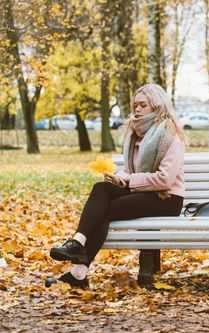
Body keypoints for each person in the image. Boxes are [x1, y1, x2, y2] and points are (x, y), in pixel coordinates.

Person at [46, 84, 187, 288]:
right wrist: (120, 178)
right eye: (134, 105)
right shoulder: (136, 132)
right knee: (101, 189)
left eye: (142, 105)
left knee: (106, 210)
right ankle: (77, 244)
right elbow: (133, 171)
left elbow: (165, 179)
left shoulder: (170, 134)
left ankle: (78, 272)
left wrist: (129, 180)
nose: (137, 110)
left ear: (157, 106)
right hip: (144, 191)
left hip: (167, 198)